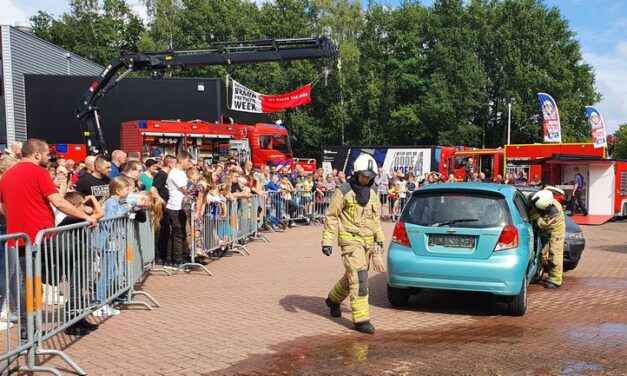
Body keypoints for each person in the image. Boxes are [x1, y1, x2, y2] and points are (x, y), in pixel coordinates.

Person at [0, 139, 97, 338]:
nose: (48, 158)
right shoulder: (39, 172)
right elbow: (59, 202)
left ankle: (29, 331)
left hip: (20, 238)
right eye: (46, 154)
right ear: (36, 154)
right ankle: (75, 315)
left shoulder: (7, 175)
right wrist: (86, 216)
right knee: (82, 254)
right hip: (43, 235)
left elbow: (2, 207)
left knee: (28, 281)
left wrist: (16, 219)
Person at [321, 153, 385, 334]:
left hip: (367, 242)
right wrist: (327, 240)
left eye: (370, 176)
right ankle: (361, 319)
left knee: (352, 278)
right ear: (356, 173)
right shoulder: (343, 191)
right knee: (359, 278)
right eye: (364, 176)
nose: (367, 179)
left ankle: (333, 300)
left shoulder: (373, 192)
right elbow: (332, 217)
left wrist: (379, 237)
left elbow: (375, 218)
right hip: (350, 241)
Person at [530, 189, 566, 289]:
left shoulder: (554, 213)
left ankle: (555, 280)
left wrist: (535, 216)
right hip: (544, 231)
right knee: (541, 253)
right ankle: (537, 274)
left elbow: (542, 224)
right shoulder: (537, 197)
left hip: (555, 232)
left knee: (554, 254)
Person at [165, 151, 193, 268]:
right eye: (188, 161)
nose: (189, 164)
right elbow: (185, 189)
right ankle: (177, 260)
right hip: (176, 207)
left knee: (177, 234)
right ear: (181, 160)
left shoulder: (181, 173)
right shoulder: (176, 173)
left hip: (180, 206)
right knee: (178, 234)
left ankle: (170, 259)